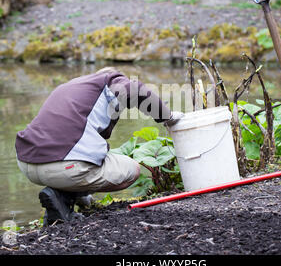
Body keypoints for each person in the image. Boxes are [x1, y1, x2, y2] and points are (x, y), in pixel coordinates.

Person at [15, 67, 183, 225]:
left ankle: (63, 199)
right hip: (65, 167)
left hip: (27, 163)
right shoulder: (110, 83)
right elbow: (137, 90)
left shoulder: (71, 88)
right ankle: (63, 195)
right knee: (133, 170)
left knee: (82, 160)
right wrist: (167, 117)